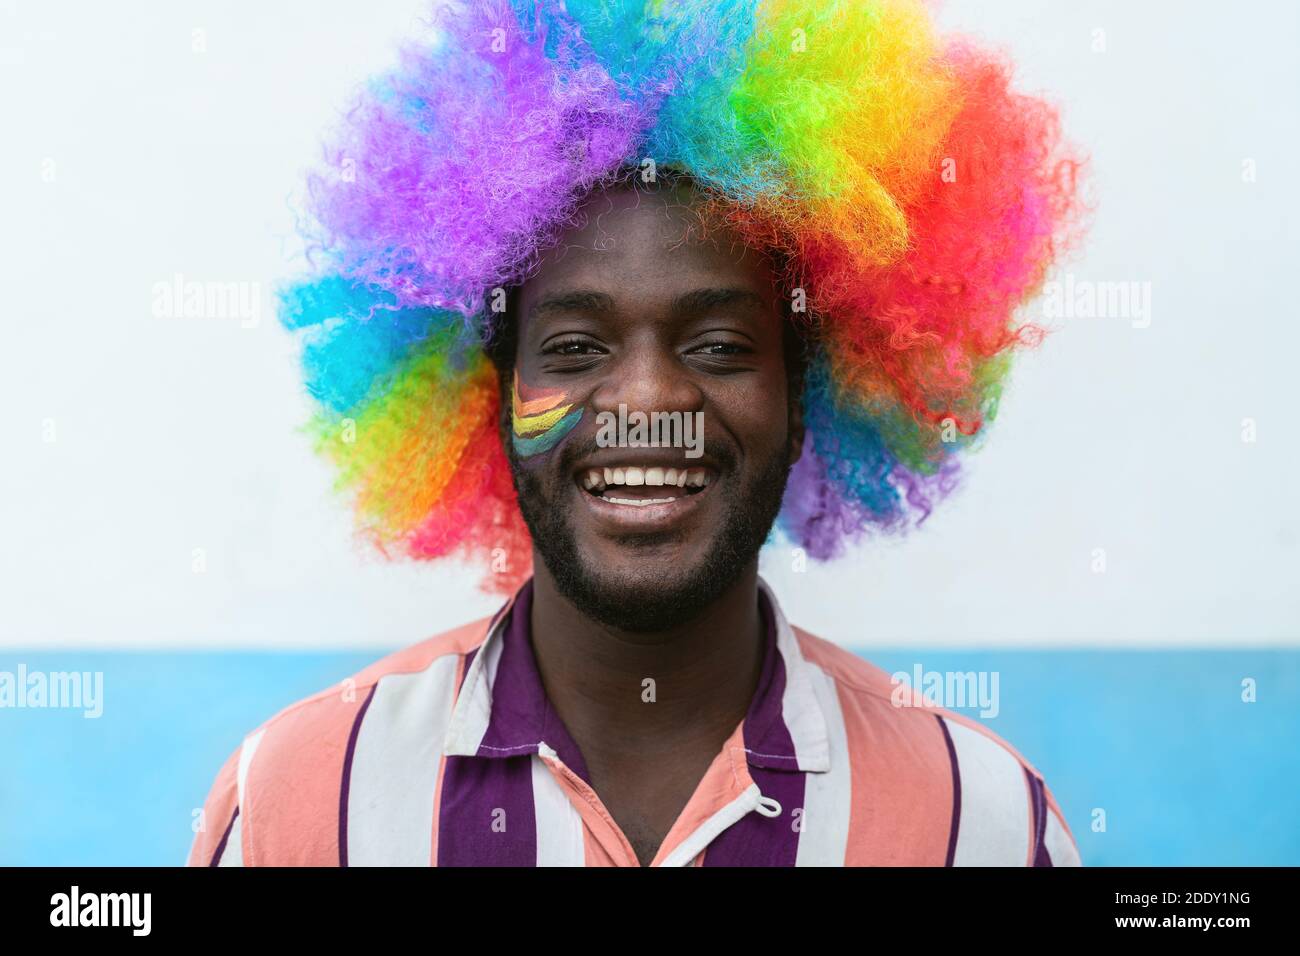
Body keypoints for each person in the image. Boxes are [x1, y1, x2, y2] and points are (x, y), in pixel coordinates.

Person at [189, 0, 1085, 867]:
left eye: (721, 344)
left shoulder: (980, 824)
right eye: (575, 348)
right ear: (489, 397)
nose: (648, 398)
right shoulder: (301, 806)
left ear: (809, 396)